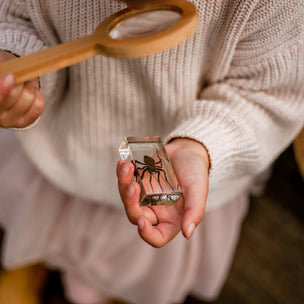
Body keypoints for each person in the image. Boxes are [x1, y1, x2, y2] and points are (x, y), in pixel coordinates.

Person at [0, 0, 303, 303]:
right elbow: (17, 15)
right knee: (51, 228)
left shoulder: (273, 7)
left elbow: (265, 96)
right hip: (65, 146)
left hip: (168, 171)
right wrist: (18, 63)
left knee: (133, 259)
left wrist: (199, 145)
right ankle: (53, 260)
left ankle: (102, 284)